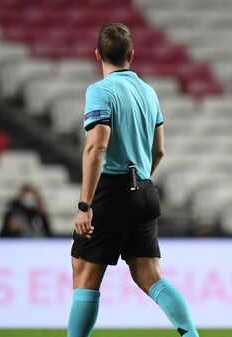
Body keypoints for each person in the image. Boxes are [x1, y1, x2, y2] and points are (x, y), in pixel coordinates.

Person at [67, 23, 199, 337]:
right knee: (149, 274)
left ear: (97, 54)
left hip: (113, 190)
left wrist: (85, 205)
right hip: (145, 187)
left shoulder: (99, 91)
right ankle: (191, 334)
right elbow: (160, 150)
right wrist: (140, 181)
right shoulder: (149, 92)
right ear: (132, 55)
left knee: (84, 274)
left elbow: (97, 147)